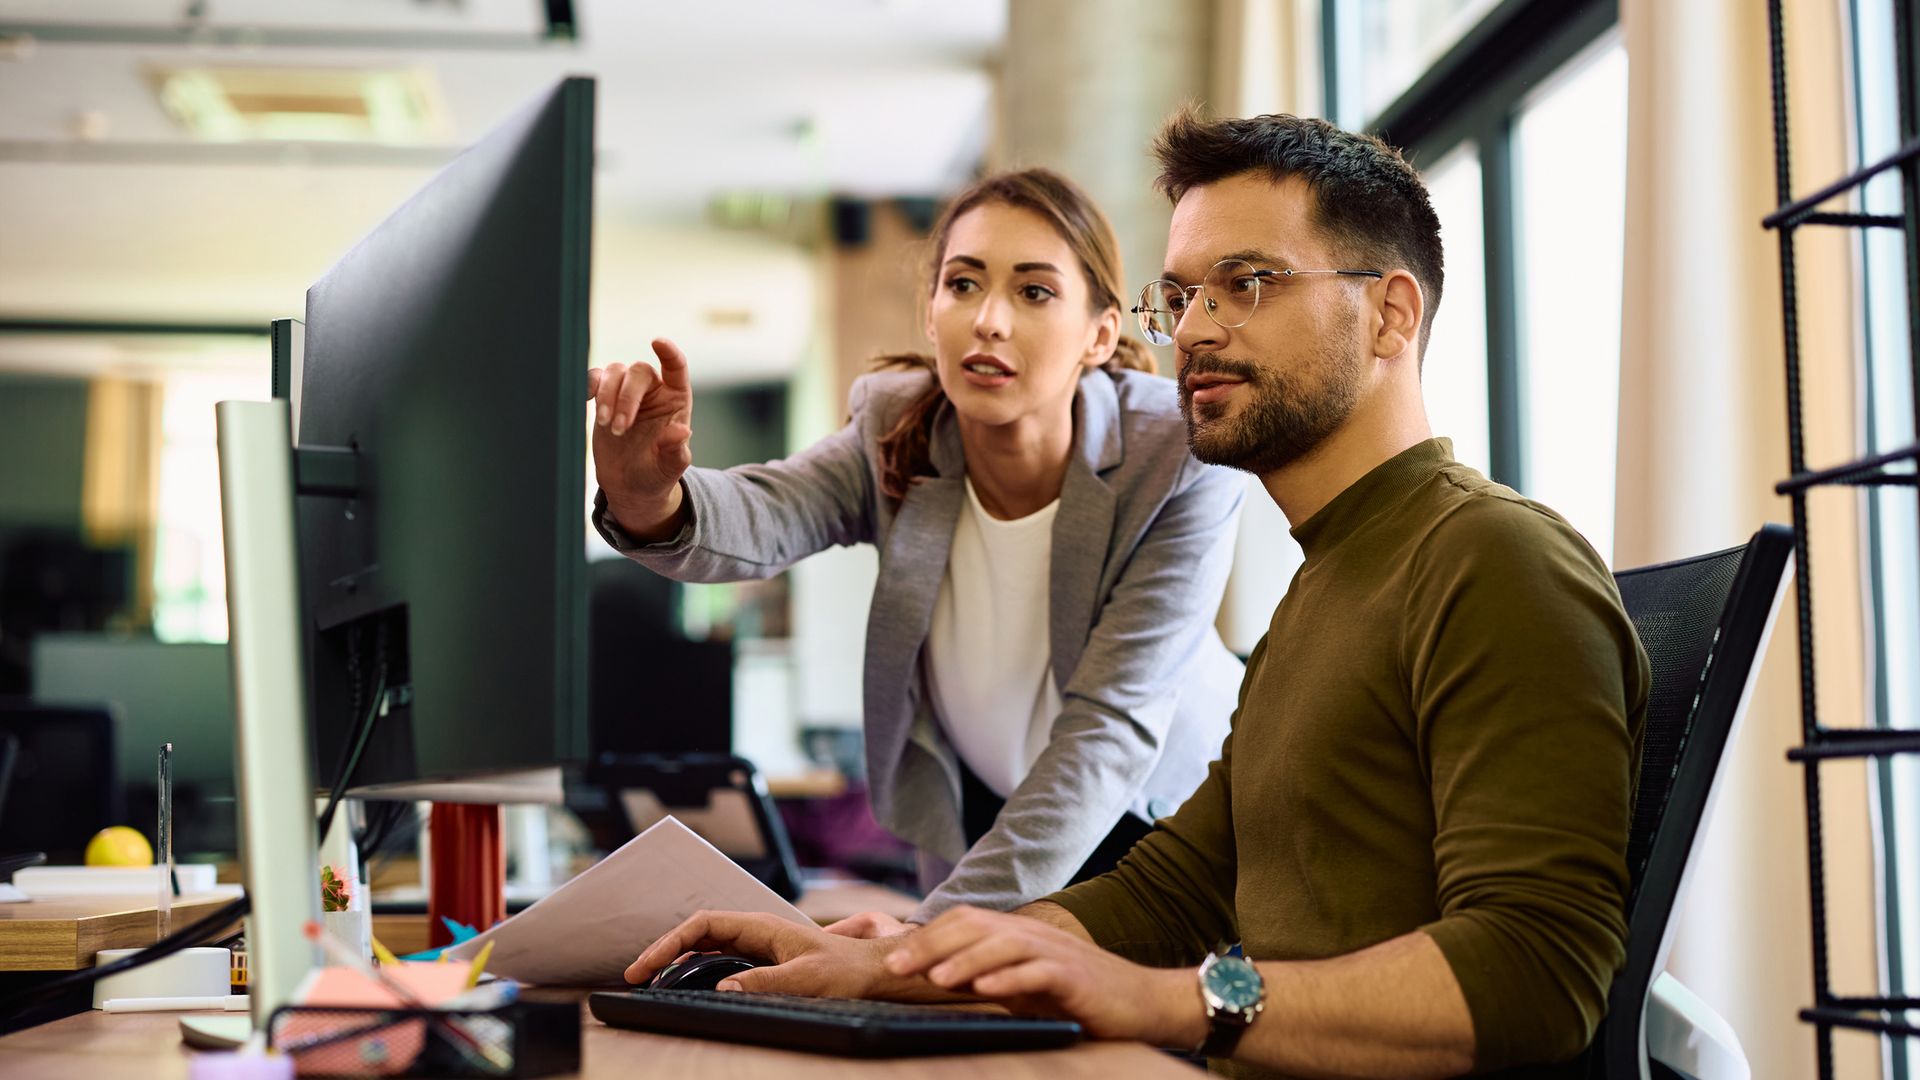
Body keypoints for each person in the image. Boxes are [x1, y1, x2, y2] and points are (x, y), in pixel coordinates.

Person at [625, 111, 1650, 1079]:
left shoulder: (1493, 558)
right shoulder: (1322, 587)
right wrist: (897, 961)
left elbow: (1538, 972)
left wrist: (1173, 1001)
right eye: (1185, 295)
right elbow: (1174, 889)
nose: (1195, 329)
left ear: (1390, 315)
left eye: (1245, 283)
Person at [588, 167, 1245, 924]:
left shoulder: (1175, 455)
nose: (988, 320)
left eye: (1034, 292)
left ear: (1098, 335)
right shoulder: (898, 429)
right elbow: (768, 511)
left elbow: (1110, 731)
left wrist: (925, 936)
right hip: (990, 821)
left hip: (1166, 828)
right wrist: (650, 497)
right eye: (962, 284)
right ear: (931, 315)